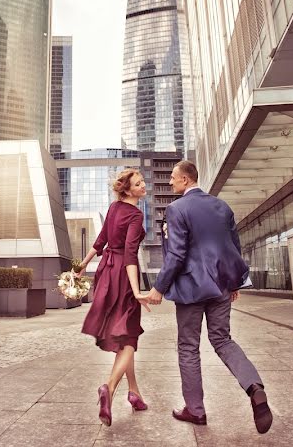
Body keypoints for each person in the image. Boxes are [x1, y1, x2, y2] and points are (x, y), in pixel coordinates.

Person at [146, 160, 273, 434]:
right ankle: (255, 387)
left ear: (184, 180)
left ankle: (195, 410)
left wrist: (158, 287)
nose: (169, 182)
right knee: (223, 340)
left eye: (172, 178)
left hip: (191, 289)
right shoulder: (222, 207)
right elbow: (233, 247)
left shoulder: (177, 208)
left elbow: (177, 254)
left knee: (189, 347)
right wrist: (234, 282)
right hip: (221, 288)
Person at [77, 168, 152, 426]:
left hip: (106, 272)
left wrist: (83, 266)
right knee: (129, 336)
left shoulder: (113, 207)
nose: (143, 186)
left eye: (143, 182)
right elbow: (130, 253)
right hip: (123, 273)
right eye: (138, 184)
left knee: (122, 336)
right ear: (128, 190)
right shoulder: (135, 214)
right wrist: (137, 291)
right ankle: (108, 388)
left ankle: (134, 393)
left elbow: (101, 241)